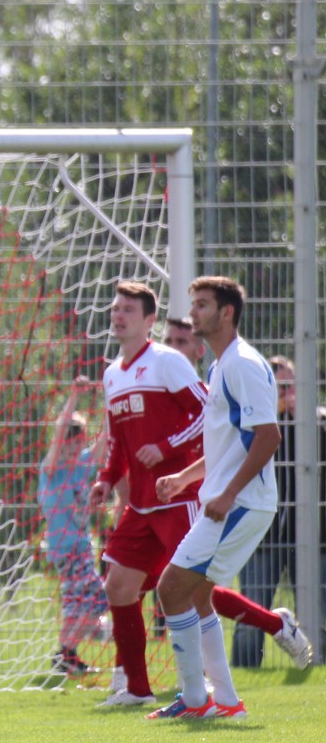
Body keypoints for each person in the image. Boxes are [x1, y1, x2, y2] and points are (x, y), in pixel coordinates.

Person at [86, 281, 304, 708]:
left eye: (202, 306)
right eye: (115, 308)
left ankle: (200, 693)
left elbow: (260, 434)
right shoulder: (209, 367)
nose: (117, 315)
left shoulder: (211, 364)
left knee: (179, 590)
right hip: (165, 499)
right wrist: (120, 478)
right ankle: (162, 690)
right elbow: (208, 441)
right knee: (147, 588)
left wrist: (196, 477)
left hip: (219, 502)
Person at [146, 276, 297, 718]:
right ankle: (226, 703)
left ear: (226, 313)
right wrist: (182, 478)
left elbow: (267, 438)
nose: (193, 313)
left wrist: (227, 494)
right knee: (196, 595)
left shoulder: (240, 365)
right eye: (194, 305)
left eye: (202, 305)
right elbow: (231, 446)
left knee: (170, 589)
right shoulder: (221, 365)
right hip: (237, 500)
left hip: (241, 503)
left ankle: (196, 701)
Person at [229, 356, 310, 668]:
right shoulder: (254, 427)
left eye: (291, 387)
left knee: (319, 610)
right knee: (251, 613)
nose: (286, 395)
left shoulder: (315, 421)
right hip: (262, 536)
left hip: (311, 537)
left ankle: (317, 666)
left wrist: (301, 416)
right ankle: (244, 671)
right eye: (279, 389)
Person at [38, 381, 110, 674]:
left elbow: (107, 436)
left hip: (81, 546)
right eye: (67, 437)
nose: (70, 443)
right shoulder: (51, 469)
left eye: (76, 437)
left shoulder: (83, 464)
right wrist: (75, 397)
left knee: (86, 600)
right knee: (89, 599)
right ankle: (69, 651)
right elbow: (57, 434)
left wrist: (113, 397)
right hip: (65, 549)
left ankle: (69, 652)